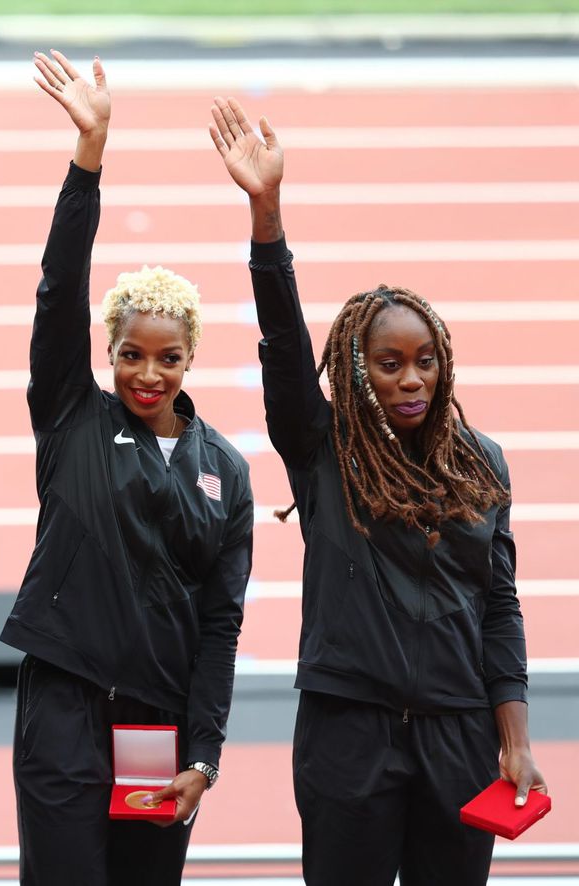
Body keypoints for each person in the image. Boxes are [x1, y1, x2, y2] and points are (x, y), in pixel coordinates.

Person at [208, 95, 548, 885]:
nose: (411, 379)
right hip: (348, 733)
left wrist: (516, 738)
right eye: (389, 363)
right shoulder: (323, 450)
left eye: (424, 360)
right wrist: (268, 215)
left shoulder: (483, 463)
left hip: (460, 736)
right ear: (359, 369)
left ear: (444, 362)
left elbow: (500, 605)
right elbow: (285, 350)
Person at [0, 52, 254, 885]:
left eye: (168, 357)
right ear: (106, 353)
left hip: (160, 726)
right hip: (64, 709)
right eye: (130, 354)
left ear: (190, 359)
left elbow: (221, 622)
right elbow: (56, 289)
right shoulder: (72, 416)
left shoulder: (226, 469)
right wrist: (90, 153)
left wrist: (205, 753)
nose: (148, 373)